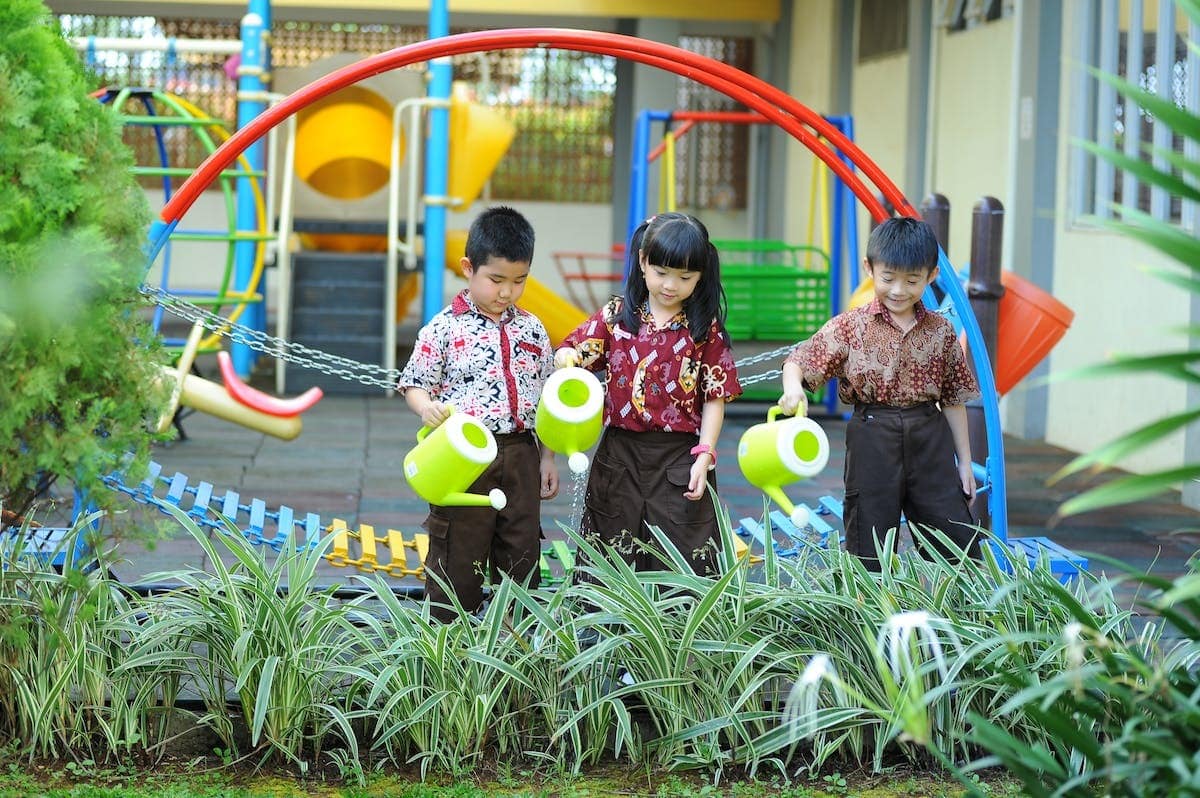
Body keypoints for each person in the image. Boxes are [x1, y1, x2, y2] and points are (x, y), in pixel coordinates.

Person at [778, 216, 981, 570]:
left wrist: (963, 462)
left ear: (931, 276)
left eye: (912, 280)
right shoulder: (850, 326)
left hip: (928, 435)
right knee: (868, 534)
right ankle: (868, 615)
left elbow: (953, 399)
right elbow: (798, 360)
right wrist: (793, 389)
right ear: (869, 268)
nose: (899, 290)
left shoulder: (942, 332)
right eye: (888, 278)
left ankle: (963, 617)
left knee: (955, 536)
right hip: (872, 433)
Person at [554, 212, 741, 575]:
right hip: (620, 452)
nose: (671, 285)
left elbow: (715, 397)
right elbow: (573, 350)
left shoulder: (705, 330)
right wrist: (567, 356)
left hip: (680, 456)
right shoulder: (617, 316)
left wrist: (705, 455)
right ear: (642, 262)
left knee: (684, 552)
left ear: (701, 276)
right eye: (661, 273)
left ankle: (677, 630)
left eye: (685, 277)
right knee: (610, 546)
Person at [397, 206, 558, 621]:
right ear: (469, 268)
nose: (507, 292)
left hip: (521, 452)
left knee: (521, 548)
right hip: (465, 454)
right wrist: (425, 407)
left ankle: (515, 644)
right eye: (497, 280)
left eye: (519, 281)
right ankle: (448, 642)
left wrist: (548, 457)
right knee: (458, 548)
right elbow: (414, 382)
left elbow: (547, 399)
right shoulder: (444, 328)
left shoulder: (533, 329)